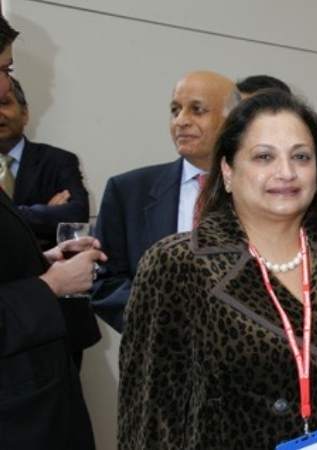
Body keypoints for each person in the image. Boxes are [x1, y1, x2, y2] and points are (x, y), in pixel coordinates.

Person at [118, 90, 317, 449]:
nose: (286, 172)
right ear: (227, 170)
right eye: (264, 157)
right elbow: (149, 419)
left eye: (301, 156)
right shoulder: (179, 265)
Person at [0, 15, 106, 449]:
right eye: (5, 70)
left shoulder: (56, 158)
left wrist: (41, 260)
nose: (7, 87)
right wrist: (51, 285)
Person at [91, 70, 238, 331]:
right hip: (157, 354)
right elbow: (106, 282)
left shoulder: (261, 192)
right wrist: (161, 325)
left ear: (232, 121)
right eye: (175, 110)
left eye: (197, 110)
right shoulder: (128, 191)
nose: (181, 121)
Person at [0, 76, 90, 250]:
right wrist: (44, 213)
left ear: (24, 114)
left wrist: (10, 216)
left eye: (4, 103)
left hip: (43, 270)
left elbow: (77, 214)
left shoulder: (58, 161)